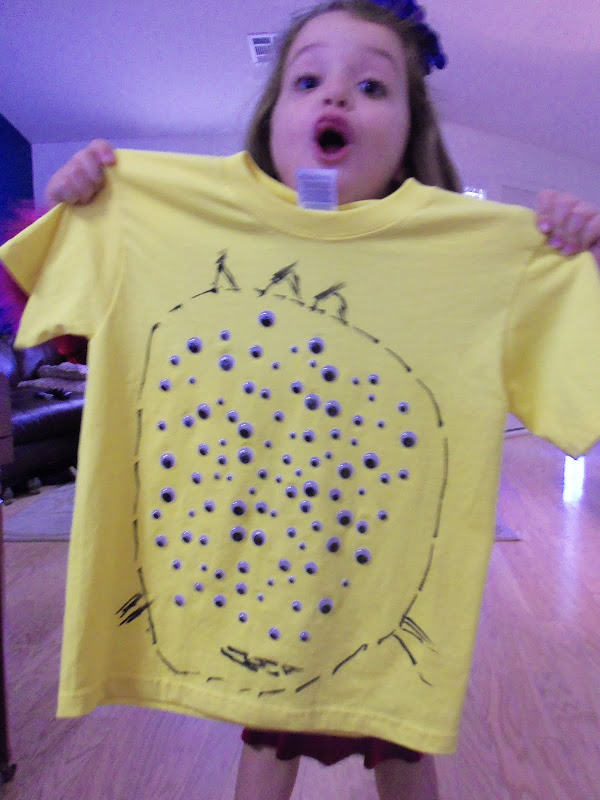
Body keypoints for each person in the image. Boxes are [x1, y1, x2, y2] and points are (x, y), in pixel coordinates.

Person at [4, 3, 600, 800]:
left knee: (402, 744)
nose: (337, 95)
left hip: (374, 593)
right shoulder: (152, 214)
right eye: (308, 78)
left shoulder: (490, 259)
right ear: (272, 116)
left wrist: (581, 261)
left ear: (411, 128)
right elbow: (51, 312)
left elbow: (579, 388)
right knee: (269, 738)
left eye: (373, 85)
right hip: (250, 588)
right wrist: (72, 207)